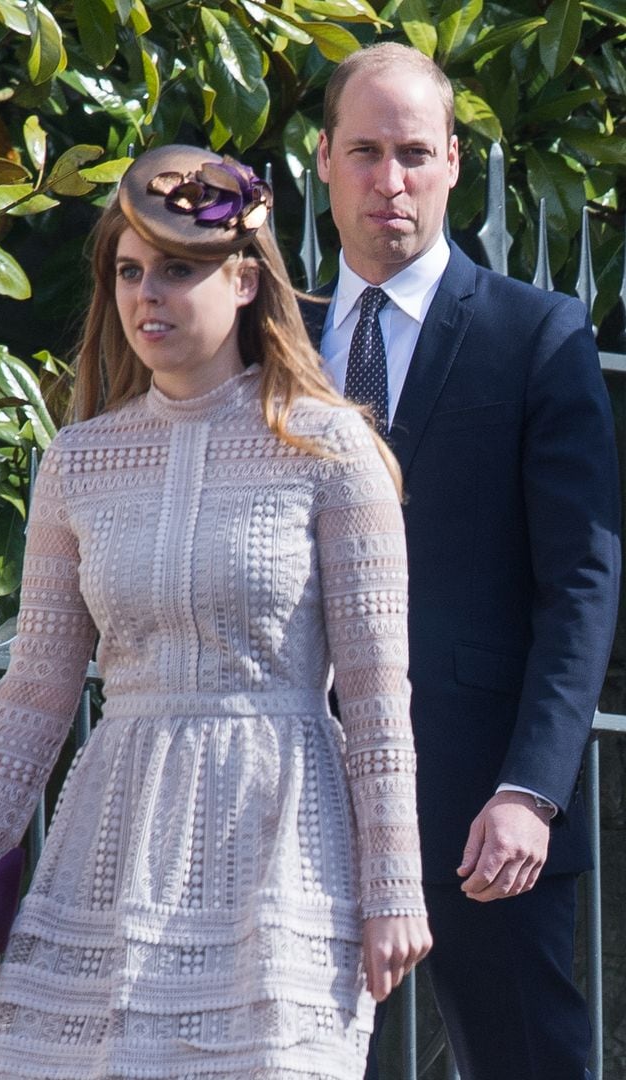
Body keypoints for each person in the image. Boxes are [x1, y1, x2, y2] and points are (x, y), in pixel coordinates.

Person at [0, 142, 431, 1079]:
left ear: (244, 281)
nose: (147, 294)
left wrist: (394, 880)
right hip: (112, 842)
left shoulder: (332, 451)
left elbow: (374, 693)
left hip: (284, 838)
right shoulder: (78, 462)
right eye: (129, 271)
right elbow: (33, 695)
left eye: (178, 269)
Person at [306, 43, 621, 1080]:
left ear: (450, 162)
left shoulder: (537, 336)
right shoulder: (275, 349)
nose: (387, 182)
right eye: (364, 152)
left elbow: (580, 579)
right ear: (322, 161)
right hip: (292, 794)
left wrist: (532, 788)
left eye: (411, 153)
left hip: (481, 813)